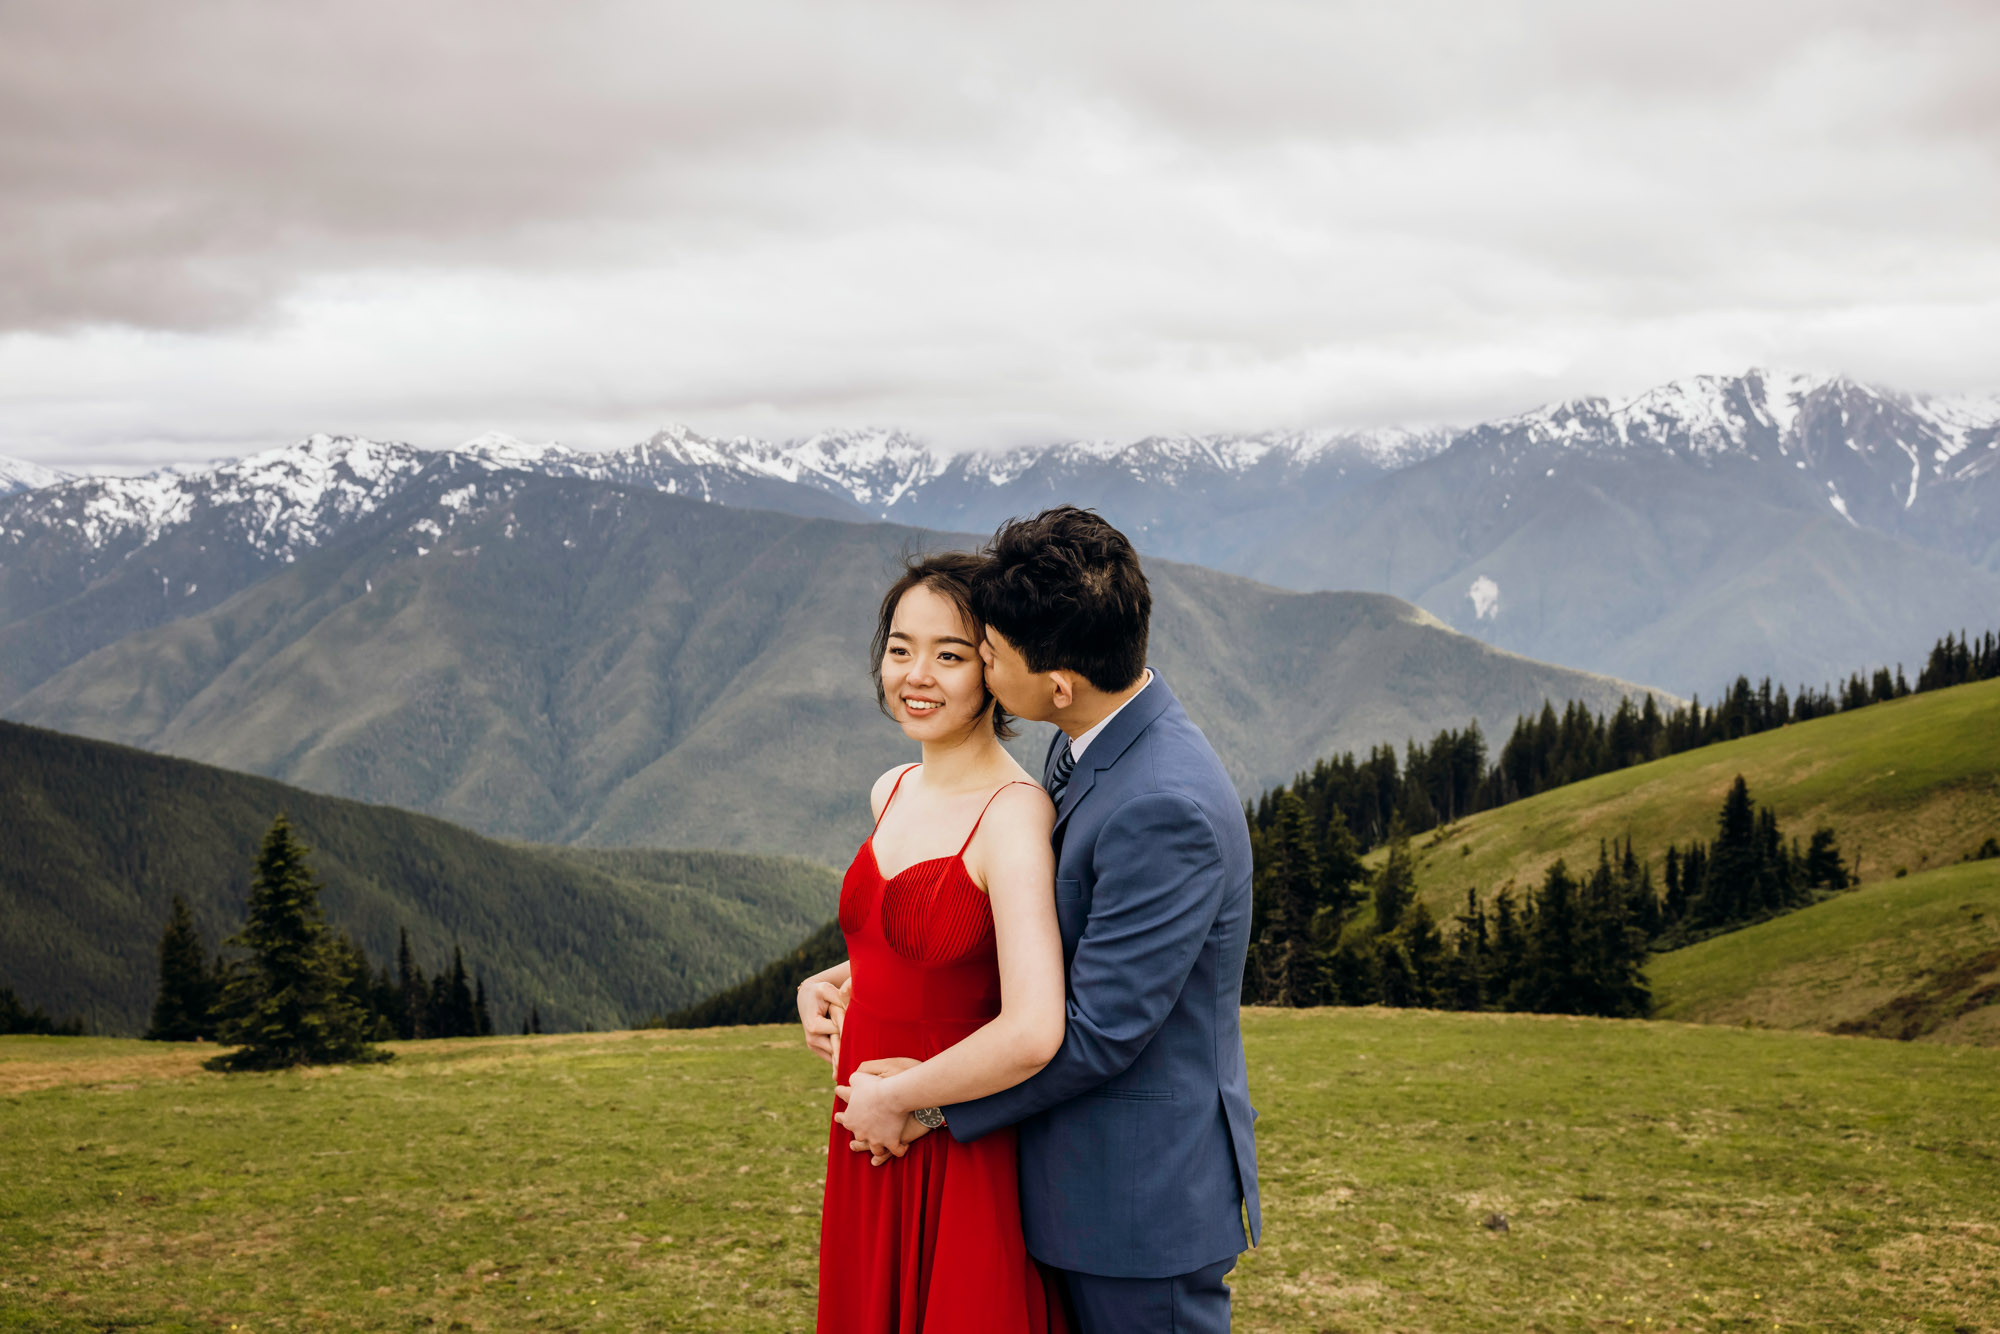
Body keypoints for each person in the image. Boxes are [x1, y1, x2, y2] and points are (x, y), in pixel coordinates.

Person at [819, 508, 1262, 1334]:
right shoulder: (1089, 740)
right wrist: (864, 972)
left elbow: (1095, 1030)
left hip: (1135, 1204)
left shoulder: (1166, 803)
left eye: (984, 653)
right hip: (1056, 1179)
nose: (977, 663)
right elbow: (1023, 927)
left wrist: (921, 1104)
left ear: (1055, 684)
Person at [796, 551, 1073, 1333]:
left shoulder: (1016, 816)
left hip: (948, 1141)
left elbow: (1031, 1029)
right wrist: (828, 980)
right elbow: (927, 947)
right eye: (899, 648)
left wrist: (903, 1100)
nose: (916, 675)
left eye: (949, 655)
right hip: (867, 1128)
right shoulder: (892, 788)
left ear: (993, 670)